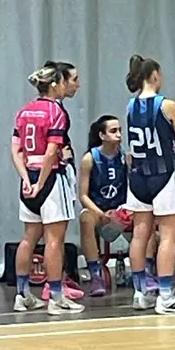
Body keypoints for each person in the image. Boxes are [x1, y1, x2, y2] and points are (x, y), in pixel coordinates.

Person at [10, 64, 85, 315]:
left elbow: (16, 149)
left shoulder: (23, 111)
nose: (70, 85)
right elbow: (52, 151)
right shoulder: (56, 112)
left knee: (28, 238)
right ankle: (56, 297)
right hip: (51, 179)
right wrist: (41, 183)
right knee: (54, 240)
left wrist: (26, 179)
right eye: (67, 81)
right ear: (56, 84)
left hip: (28, 178)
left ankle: (22, 295)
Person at [124, 55, 175, 314]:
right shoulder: (167, 105)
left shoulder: (130, 105)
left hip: (138, 176)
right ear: (155, 75)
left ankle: (139, 292)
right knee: (168, 235)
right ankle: (165, 295)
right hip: (164, 173)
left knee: (139, 234)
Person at [77, 114, 129, 297]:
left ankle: (145, 271)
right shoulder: (90, 158)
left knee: (147, 221)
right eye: (113, 131)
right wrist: (101, 214)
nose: (119, 135)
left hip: (121, 209)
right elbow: (83, 195)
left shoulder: (126, 157)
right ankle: (95, 274)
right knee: (85, 219)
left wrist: (126, 210)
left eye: (120, 130)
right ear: (102, 135)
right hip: (98, 210)